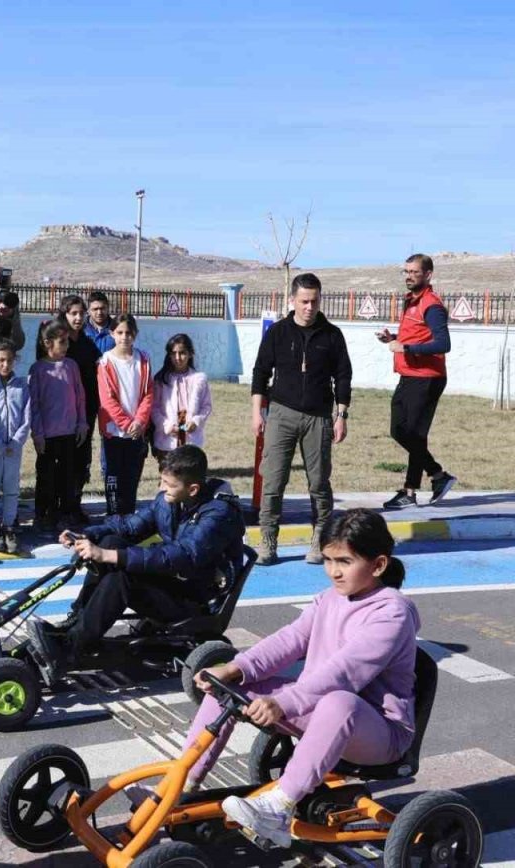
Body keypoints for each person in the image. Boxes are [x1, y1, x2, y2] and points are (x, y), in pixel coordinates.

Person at [180, 508, 417, 848]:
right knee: (229, 689)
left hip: (379, 732)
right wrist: (235, 668)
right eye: (328, 560)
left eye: (344, 562)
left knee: (339, 701)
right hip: (321, 712)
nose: (333, 572)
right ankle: (182, 785)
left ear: (378, 565)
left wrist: (282, 703)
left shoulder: (392, 612)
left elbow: (345, 672)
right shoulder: (328, 599)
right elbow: (289, 640)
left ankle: (277, 809)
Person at [27, 445, 246, 683]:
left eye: (169, 485)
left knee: (122, 579)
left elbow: (182, 555)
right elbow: (130, 526)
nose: (162, 489)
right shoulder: (170, 500)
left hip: (197, 597)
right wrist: (87, 535)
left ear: (192, 489)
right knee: (111, 541)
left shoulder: (219, 515)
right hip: (176, 582)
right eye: (162, 481)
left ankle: (70, 649)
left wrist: (110, 556)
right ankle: (77, 620)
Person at [251, 273, 353, 566]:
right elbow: (261, 372)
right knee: (273, 479)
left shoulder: (332, 335)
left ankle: (320, 539)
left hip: (319, 417)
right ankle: (268, 541)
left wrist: (341, 415)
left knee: (319, 482)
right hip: (281, 413)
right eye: (304, 301)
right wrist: (257, 412)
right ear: (292, 300)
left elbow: (343, 377)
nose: (310, 307)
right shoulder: (278, 333)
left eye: (315, 301)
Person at [379, 254, 456, 510]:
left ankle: (410, 492)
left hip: (428, 378)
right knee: (399, 431)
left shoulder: (432, 305)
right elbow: (417, 335)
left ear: (428, 275)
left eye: (414, 271)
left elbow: (443, 344)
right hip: (409, 375)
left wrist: (406, 347)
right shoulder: (411, 302)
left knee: (414, 434)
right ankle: (437, 475)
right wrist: (394, 337)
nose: (409, 275)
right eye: (406, 271)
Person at [31, 319, 89, 531]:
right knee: (45, 476)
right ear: (47, 343)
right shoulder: (38, 370)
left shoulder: (71, 366)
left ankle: (64, 514)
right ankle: (42, 514)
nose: (66, 346)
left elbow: (80, 397)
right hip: (47, 435)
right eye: (62, 342)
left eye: (67, 342)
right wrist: (37, 434)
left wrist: (82, 423)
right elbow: (34, 405)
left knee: (67, 477)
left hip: (69, 433)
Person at [98, 314, 153, 516]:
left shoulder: (144, 360)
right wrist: (126, 423)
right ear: (112, 333)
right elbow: (107, 399)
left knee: (131, 477)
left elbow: (148, 394)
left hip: (137, 432)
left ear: (135, 334)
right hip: (114, 432)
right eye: (120, 332)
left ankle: (128, 517)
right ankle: (113, 517)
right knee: (113, 477)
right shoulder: (105, 363)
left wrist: (139, 422)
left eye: (128, 333)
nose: (124, 337)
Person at [0, 338, 31, 554]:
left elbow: (26, 417)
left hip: (13, 449)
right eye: (1, 360)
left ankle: (9, 525)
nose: (5, 364)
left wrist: (17, 441)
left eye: (9, 360)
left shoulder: (22, 386)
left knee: (11, 488)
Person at [59, 295, 103, 519]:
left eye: (80, 313)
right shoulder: (57, 342)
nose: (78, 318)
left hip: (86, 409)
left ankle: (74, 503)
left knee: (81, 457)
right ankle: (57, 506)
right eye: (73, 313)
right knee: (61, 458)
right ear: (64, 314)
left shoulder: (88, 344)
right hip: (61, 411)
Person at [150, 333, 213, 467]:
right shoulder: (161, 380)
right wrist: (166, 425)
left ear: (190, 354)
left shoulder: (199, 379)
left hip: (191, 437)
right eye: (174, 353)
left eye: (182, 353)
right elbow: (153, 408)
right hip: (166, 438)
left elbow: (206, 406)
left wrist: (196, 421)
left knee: (187, 476)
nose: (178, 358)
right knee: (168, 477)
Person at [84, 290, 115, 355]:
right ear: (89, 310)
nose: (99, 313)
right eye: (95, 309)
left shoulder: (116, 328)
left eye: (102, 308)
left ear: (108, 308)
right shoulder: (81, 329)